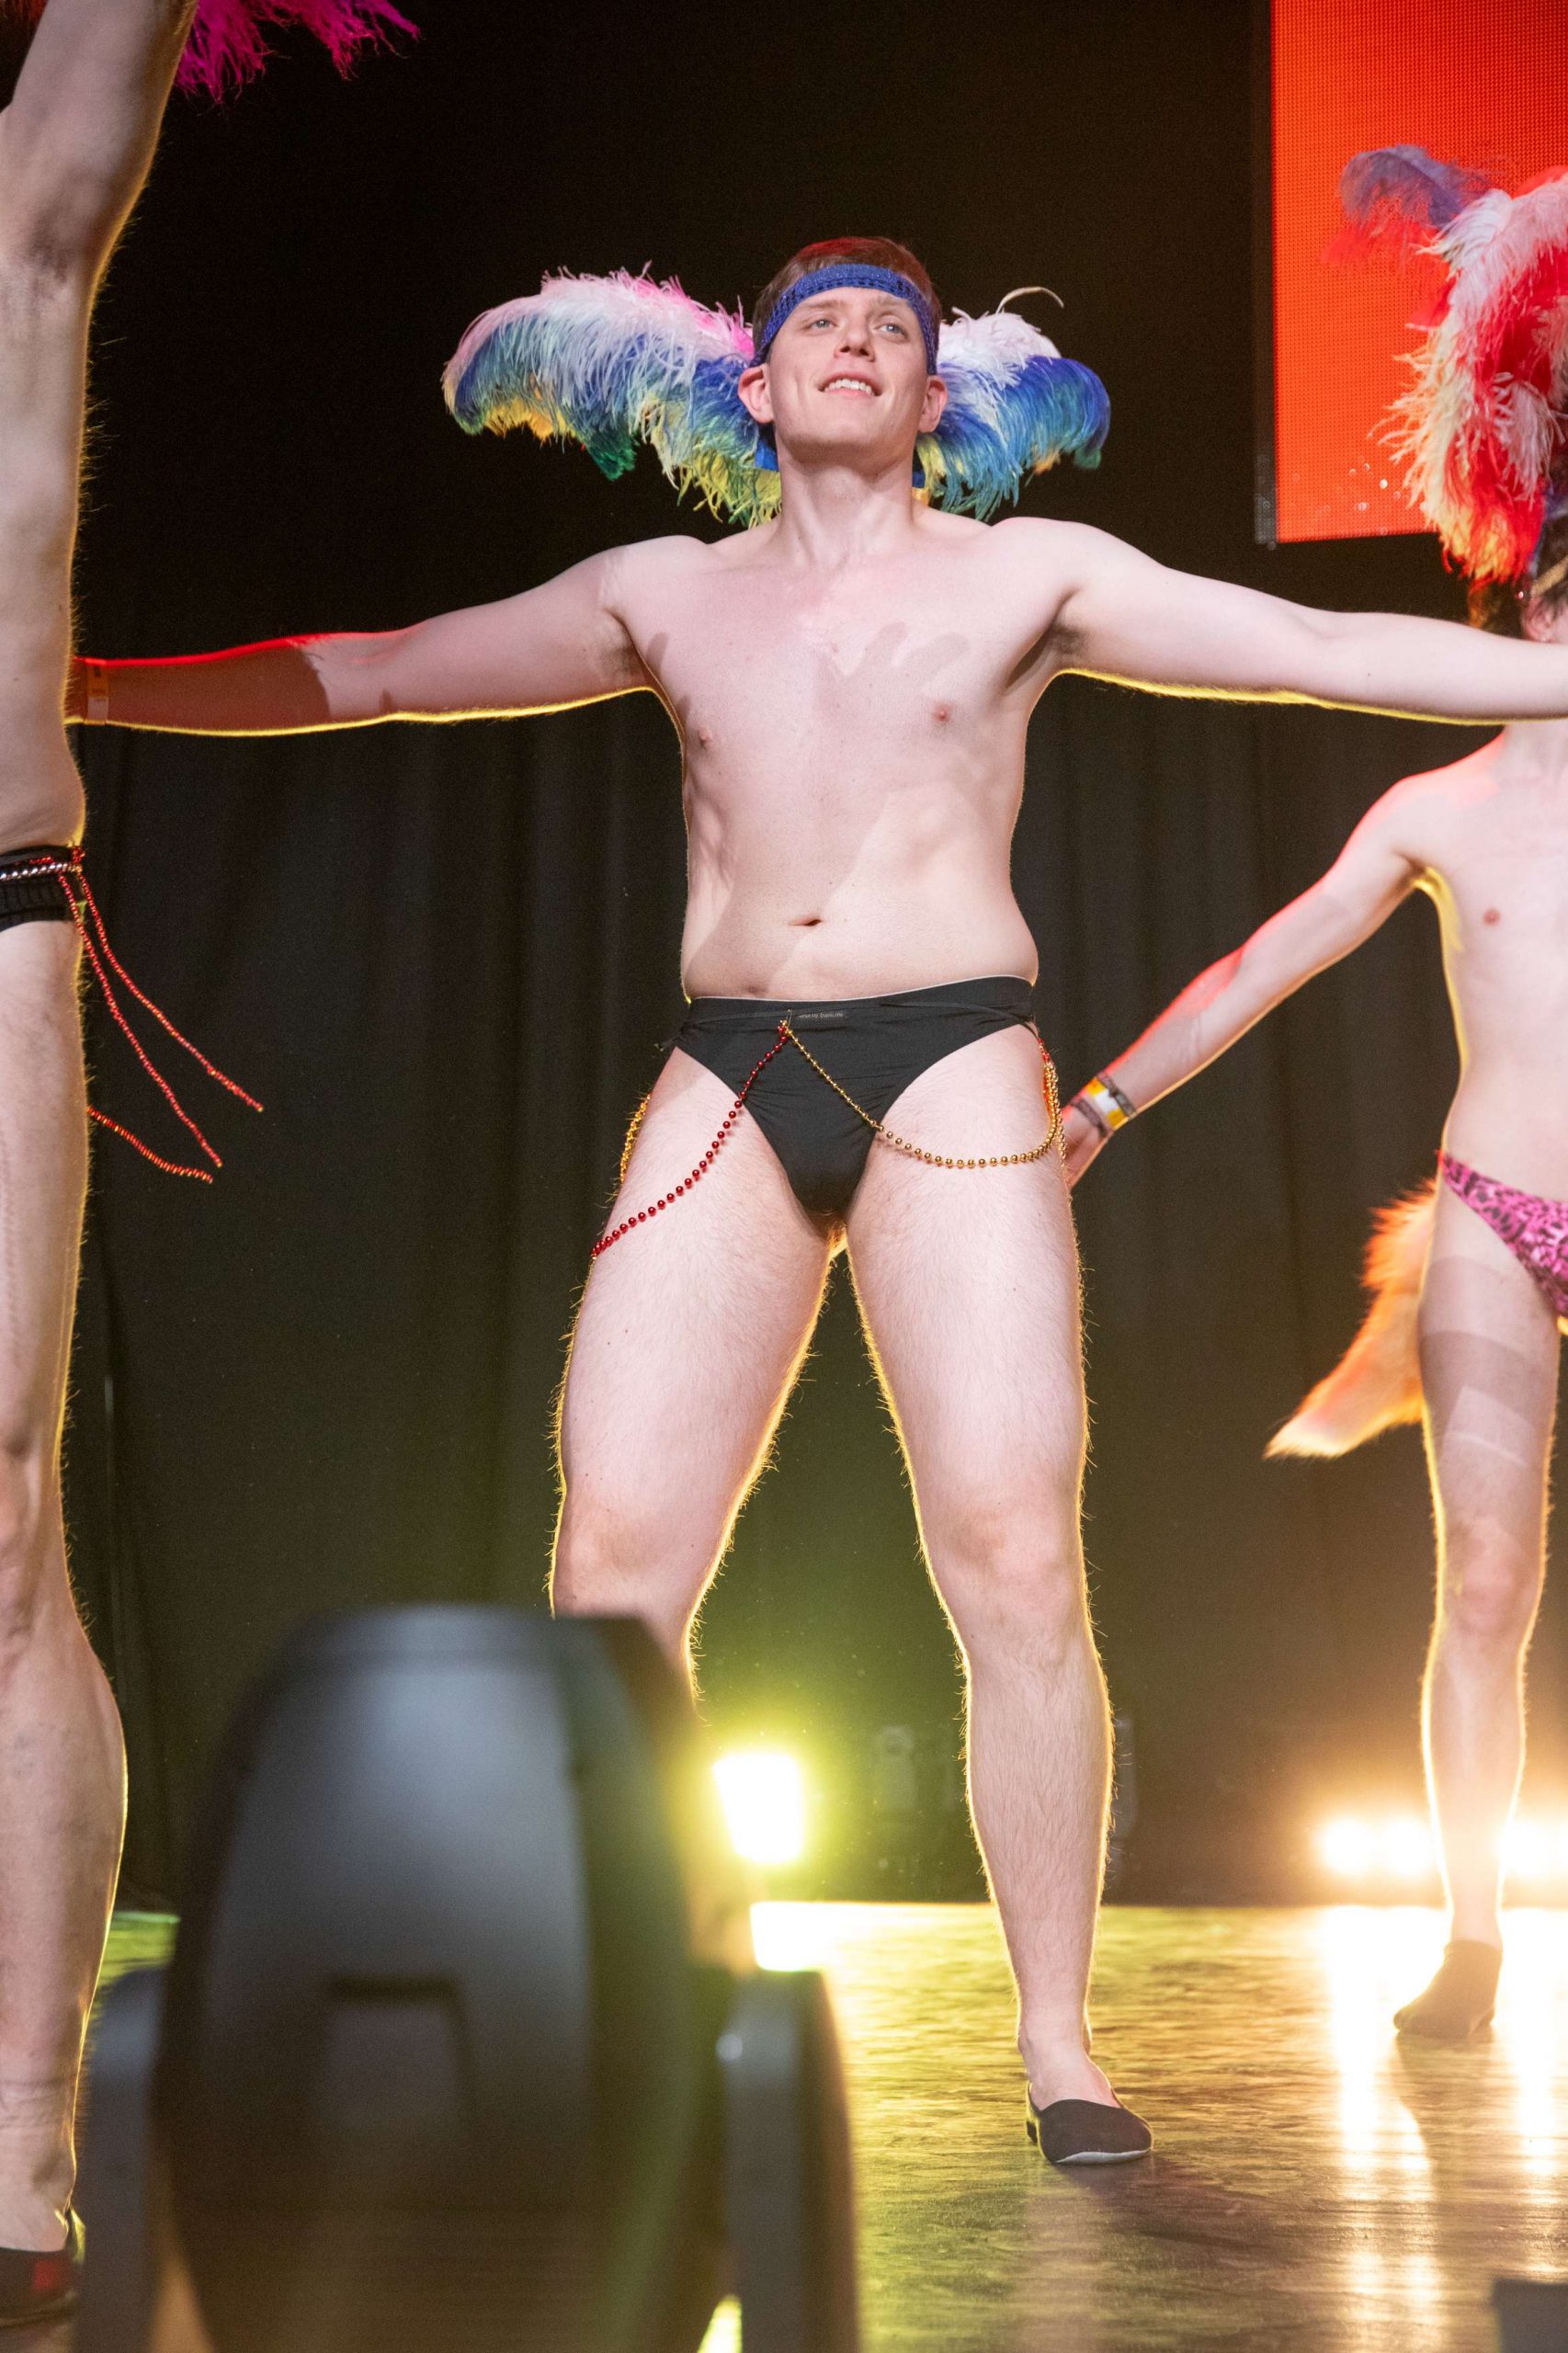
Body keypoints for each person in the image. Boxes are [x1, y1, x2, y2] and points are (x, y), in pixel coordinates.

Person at [73, 230, 1568, 2157]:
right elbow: (372, 675)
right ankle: (646, 1982)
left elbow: (1321, 654)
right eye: (817, 325)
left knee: (1012, 1553)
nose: (854, 341)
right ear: (755, 387)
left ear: (936, 399)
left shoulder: (1027, 577)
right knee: (610, 1563)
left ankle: (1059, 2044)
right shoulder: (660, 595)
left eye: (890, 328)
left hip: (953, 1058)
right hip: (732, 1067)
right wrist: (78, 684)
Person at [1062, 150, 1568, 2046]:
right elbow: (1256, 966)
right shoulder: (1438, 805)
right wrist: (1100, 1105)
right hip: (1497, 1208)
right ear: (1517, 619)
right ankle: (1473, 1935)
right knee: (1486, 1578)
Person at [0, 0, 407, 2315]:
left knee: (2, 1516)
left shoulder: (12, 243)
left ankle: (17, 2153)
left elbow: (90, 92)